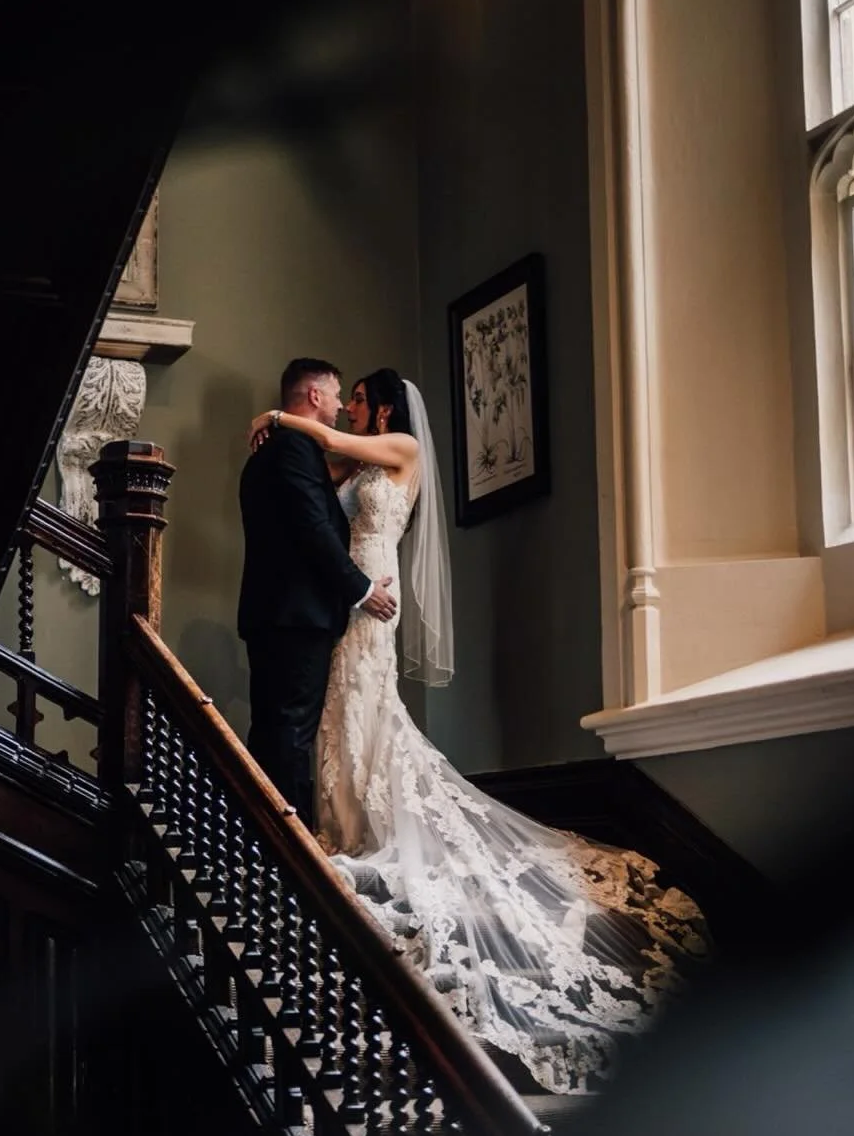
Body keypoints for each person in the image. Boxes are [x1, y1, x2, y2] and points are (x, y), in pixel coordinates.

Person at [248, 370, 707, 1096]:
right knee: (338, 712)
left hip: (372, 589)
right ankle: (340, 823)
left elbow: (328, 438)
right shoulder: (358, 459)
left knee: (365, 704)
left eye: (359, 398)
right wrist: (286, 436)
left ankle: (366, 825)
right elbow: (318, 472)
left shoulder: (396, 446)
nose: (350, 408)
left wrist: (279, 414)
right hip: (344, 595)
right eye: (343, 398)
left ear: (385, 406)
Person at [237, 358, 397, 831]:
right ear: (313, 396)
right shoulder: (294, 449)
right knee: (289, 735)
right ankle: (291, 849)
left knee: (270, 732)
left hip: (272, 614)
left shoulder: (267, 453)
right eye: (336, 395)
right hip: (297, 616)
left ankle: (258, 837)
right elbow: (313, 527)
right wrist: (362, 589)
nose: (341, 405)